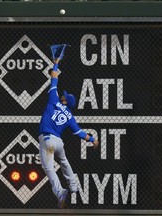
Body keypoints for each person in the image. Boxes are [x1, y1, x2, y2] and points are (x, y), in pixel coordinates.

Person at [38, 47, 99, 209]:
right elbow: (80, 133)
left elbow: (53, 79)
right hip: (59, 142)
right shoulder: (71, 117)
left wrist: (56, 63)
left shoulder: (54, 100)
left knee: (49, 168)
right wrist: (93, 140)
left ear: (65, 101)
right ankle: (74, 186)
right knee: (64, 162)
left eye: (64, 96)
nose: (62, 96)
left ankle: (60, 192)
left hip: (47, 139)